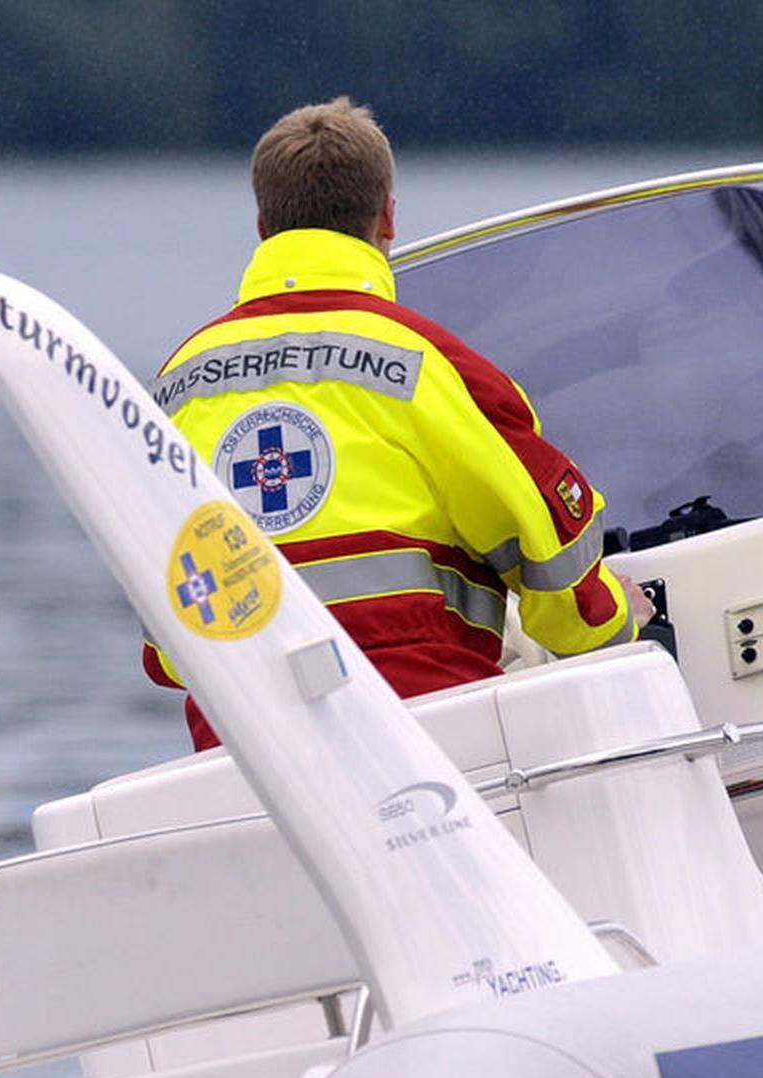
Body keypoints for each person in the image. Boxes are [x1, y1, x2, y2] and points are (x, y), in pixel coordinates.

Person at [144, 96, 651, 750]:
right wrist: (619, 630)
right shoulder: (432, 365)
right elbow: (552, 556)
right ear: (387, 216)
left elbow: (167, 643)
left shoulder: (174, 388)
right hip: (431, 737)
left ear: (264, 225)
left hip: (249, 760)